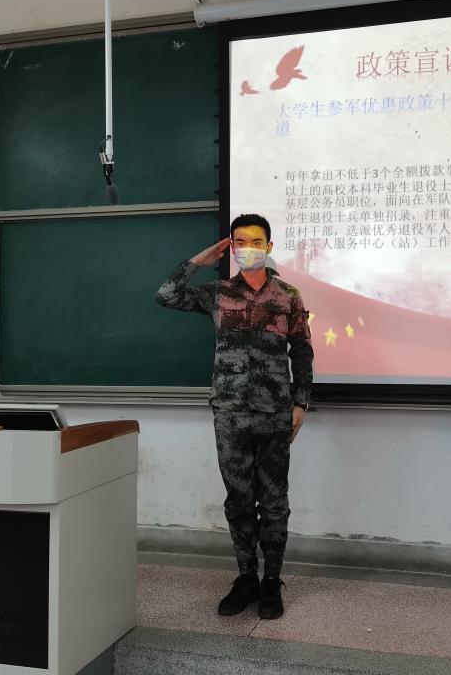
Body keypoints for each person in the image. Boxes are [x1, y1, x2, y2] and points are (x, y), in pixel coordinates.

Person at [155, 213, 314, 620]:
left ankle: (271, 581)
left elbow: (302, 352)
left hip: (275, 415)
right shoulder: (218, 293)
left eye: (256, 241)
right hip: (229, 415)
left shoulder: (289, 296)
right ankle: (246, 578)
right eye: (239, 242)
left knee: (274, 503)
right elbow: (166, 295)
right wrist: (199, 261)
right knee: (239, 502)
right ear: (231, 247)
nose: (248, 249)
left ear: (269, 247)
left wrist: (300, 403)